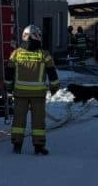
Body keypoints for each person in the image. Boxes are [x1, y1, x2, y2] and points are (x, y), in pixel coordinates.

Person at [5, 24, 59, 155]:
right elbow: (52, 74)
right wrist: (54, 88)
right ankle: (39, 147)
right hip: (38, 95)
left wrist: (9, 87)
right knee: (38, 121)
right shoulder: (44, 54)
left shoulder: (16, 53)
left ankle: (17, 146)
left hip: (20, 94)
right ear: (36, 37)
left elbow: (9, 73)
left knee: (18, 121)